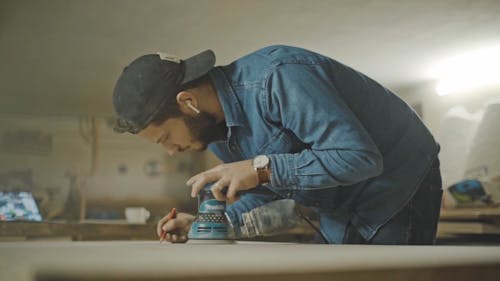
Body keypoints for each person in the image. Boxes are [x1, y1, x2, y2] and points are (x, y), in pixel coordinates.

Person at [112, 45, 443, 244]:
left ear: (188, 102)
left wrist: (262, 168)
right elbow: (266, 191)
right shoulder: (218, 137)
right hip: (339, 200)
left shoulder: (278, 77)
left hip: (398, 181)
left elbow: (360, 157)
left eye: (165, 138)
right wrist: (208, 224)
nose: (171, 150)